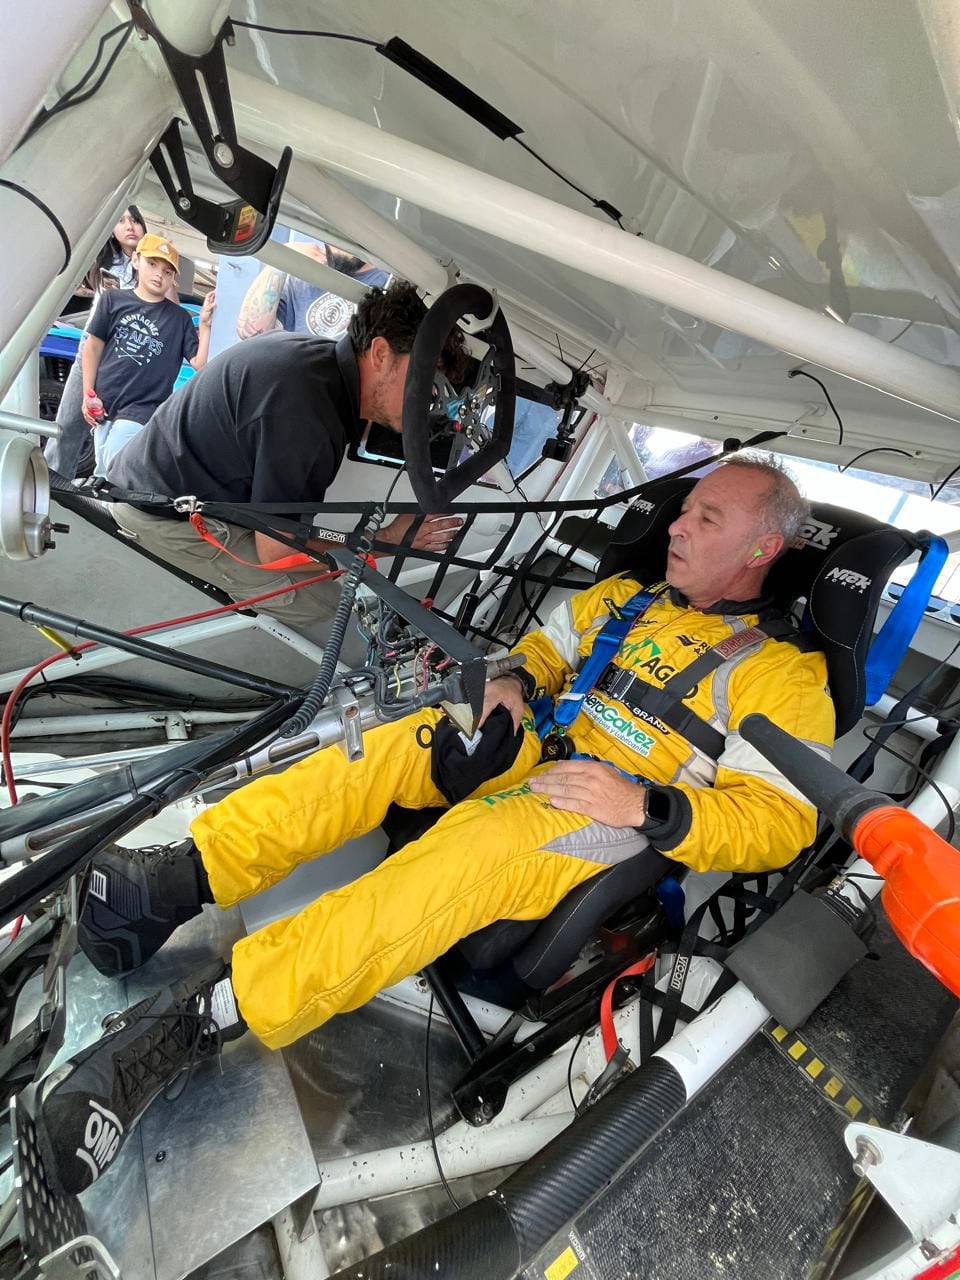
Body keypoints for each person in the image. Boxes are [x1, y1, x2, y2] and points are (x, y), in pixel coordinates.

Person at [39, 457, 836, 1194]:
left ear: (763, 546)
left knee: (462, 853)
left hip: (613, 810)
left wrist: (646, 807)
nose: (676, 526)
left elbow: (782, 823)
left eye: (706, 517)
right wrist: (514, 685)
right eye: (684, 510)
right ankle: (184, 876)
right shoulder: (623, 599)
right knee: (392, 745)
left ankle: (199, 1020)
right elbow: (541, 652)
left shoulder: (784, 677)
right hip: (536, 745)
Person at [104, 281, 465, 649]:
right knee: (326, 604)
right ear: (381, 354)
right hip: (159, 514)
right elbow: (281, 552)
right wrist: (390, 540)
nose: (430, 398)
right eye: (424, 379)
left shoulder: (316, 366)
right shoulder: (306, 412)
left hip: (161, 486)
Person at [45, 207, 179, 480]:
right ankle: (53, 485)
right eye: (121, 221)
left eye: (135, 221)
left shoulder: (158, 269)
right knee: (68, 424)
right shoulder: (102, 260)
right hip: (95, 348)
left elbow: (171, 317)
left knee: (116, 434)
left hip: (131, 359)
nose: (130, 227)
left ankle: (102, 496)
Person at [82, 234, 214, 475]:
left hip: (143, 408)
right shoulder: (113, 300)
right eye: (152, 264)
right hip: (105, 402)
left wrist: (204, 325)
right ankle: (105, 509)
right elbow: (93, 346)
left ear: (173, 279)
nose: (159, 275)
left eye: (167, 271)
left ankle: (113, 509)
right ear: (136, 260)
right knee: (101, 466)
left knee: (113, 469)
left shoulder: (180, 319)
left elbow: (199, 363)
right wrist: (88, 394)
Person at [235, 238, 388, 340]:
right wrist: (281, 260)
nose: (340, 246)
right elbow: (251, 333)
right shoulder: (302, 279)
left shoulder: (389, 283)